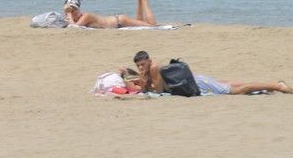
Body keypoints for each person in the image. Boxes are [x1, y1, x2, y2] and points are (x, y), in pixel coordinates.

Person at [125, 51, 292, 95]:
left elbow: (159, 91)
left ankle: (278, 86)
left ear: (149, 60)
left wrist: (143, 81)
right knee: (231, 85)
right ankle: (271, 87)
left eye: (142, 64)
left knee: (237, 90)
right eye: (138, 66)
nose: (141, 68)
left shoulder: (154, 68)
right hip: (195, 79)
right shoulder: (152, 68)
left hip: (197, 83)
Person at [63, 0, 157, 28]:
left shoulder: (86, 16)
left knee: (152, 25)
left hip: (120, 21)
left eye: (74, 10)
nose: (72, 13)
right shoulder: (78, 19)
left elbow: (74, 27)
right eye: (70, 11)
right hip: (119, 21)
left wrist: (68, 14)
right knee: (140, 22)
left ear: (79, 10)